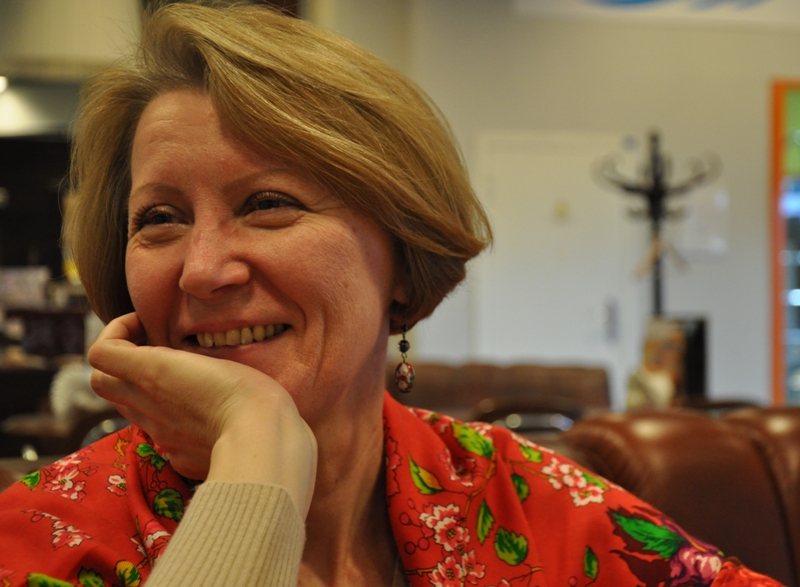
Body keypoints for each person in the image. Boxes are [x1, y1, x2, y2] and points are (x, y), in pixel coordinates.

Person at [0, 4, 784, 587]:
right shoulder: (42, 537)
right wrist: (256, 452)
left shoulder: (523, 503)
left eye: (268, 203)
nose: (203, 269)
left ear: (402, 259)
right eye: (160, 219)